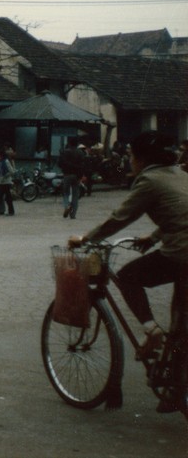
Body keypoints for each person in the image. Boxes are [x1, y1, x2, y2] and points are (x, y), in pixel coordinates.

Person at [68, 131, 188, 414]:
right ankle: (173, 389)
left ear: (141, 158)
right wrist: (154, 237)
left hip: (182, 253)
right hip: (179, 248)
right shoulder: (181, 173)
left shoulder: (147, 180)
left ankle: (151, 330)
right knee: (181, 323)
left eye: (132, 156)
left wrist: (85, 239)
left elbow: (119, 218)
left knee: (128, 276)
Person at [58, 137, 85, 219]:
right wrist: (80, 175)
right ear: (77, 144)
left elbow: (59, 163)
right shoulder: (80, 153)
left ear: (69, 143)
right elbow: (83, 165)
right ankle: (73, 214)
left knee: (65, 193)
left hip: (66, 175)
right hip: (76, 175)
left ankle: (66, 206)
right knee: (75, 195)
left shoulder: (65, 152)